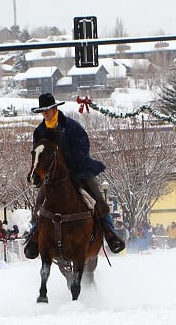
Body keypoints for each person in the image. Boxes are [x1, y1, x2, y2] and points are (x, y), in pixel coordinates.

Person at [23, 93, 125, 259]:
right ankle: (34, 237)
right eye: (43, 112)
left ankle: (110, 234)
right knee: (38, 205)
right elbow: (37, 154)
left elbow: (83, 147)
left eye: (47, 110)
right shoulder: (39, 131)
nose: (45, 114)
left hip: (78, 170)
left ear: (55, 109)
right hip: (53, 177)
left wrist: (69, 163)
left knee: (97, 199)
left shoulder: (72, 127)